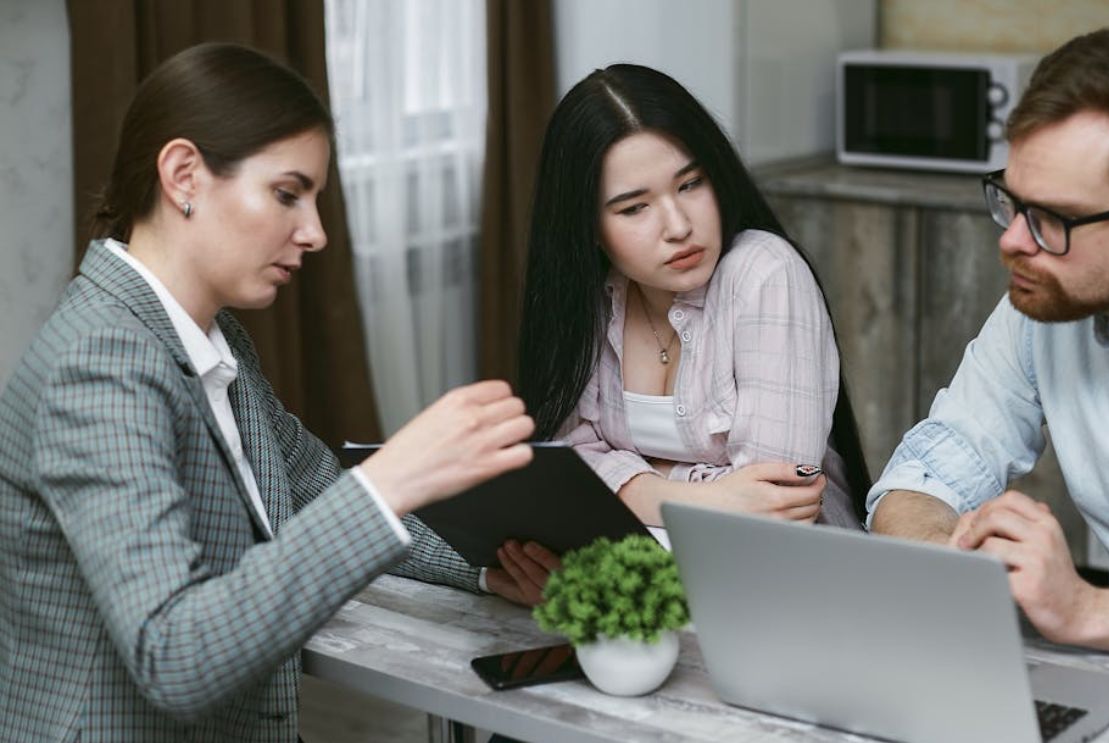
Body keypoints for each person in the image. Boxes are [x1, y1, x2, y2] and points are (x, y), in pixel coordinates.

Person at [0, 42, 540, 741]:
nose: (314, 232)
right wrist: (387, 480)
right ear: (183, 174)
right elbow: (174, 652)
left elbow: (313, 481)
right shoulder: (102, 363)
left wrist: (487, 569)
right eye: (287, 194)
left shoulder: (211, 339)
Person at [867, 28, 1109, 656]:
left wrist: (1087, 611)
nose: (1013, 240)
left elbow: (1083, 614)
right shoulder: (1046, 300)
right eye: (1012, 202)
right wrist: (945, 558)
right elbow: (929, 471)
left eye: (1052, 219)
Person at [517, 64, 872, 529]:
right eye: (634, 208)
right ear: (589, 228)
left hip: (783, 576)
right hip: (638, 568)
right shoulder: (588, 295)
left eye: (690, 185)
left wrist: (633, 482)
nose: (679, 226)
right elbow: (562, 465)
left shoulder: (765, 272)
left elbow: (775, 504)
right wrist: (705, 494)